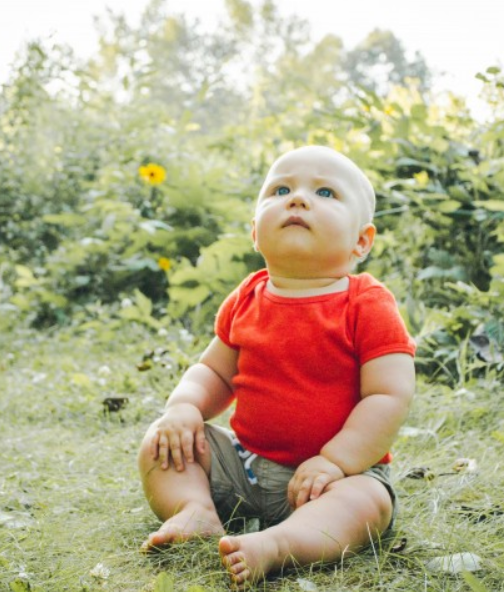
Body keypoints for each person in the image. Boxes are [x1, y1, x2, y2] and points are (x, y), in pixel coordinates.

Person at [138, 145, 416, 586]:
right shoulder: (247, 297)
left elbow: (389, 394)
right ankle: (196, 510)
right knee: (163, 440)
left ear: (361, 241)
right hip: (244, 468)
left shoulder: (365, 303)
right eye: (282, 189)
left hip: (334, 481)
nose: (298, 199)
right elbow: (213, 372)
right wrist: (184, 406)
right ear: (255, 232)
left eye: (325, 193)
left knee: (367, 503)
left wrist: (335, 461)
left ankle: (280, 545)